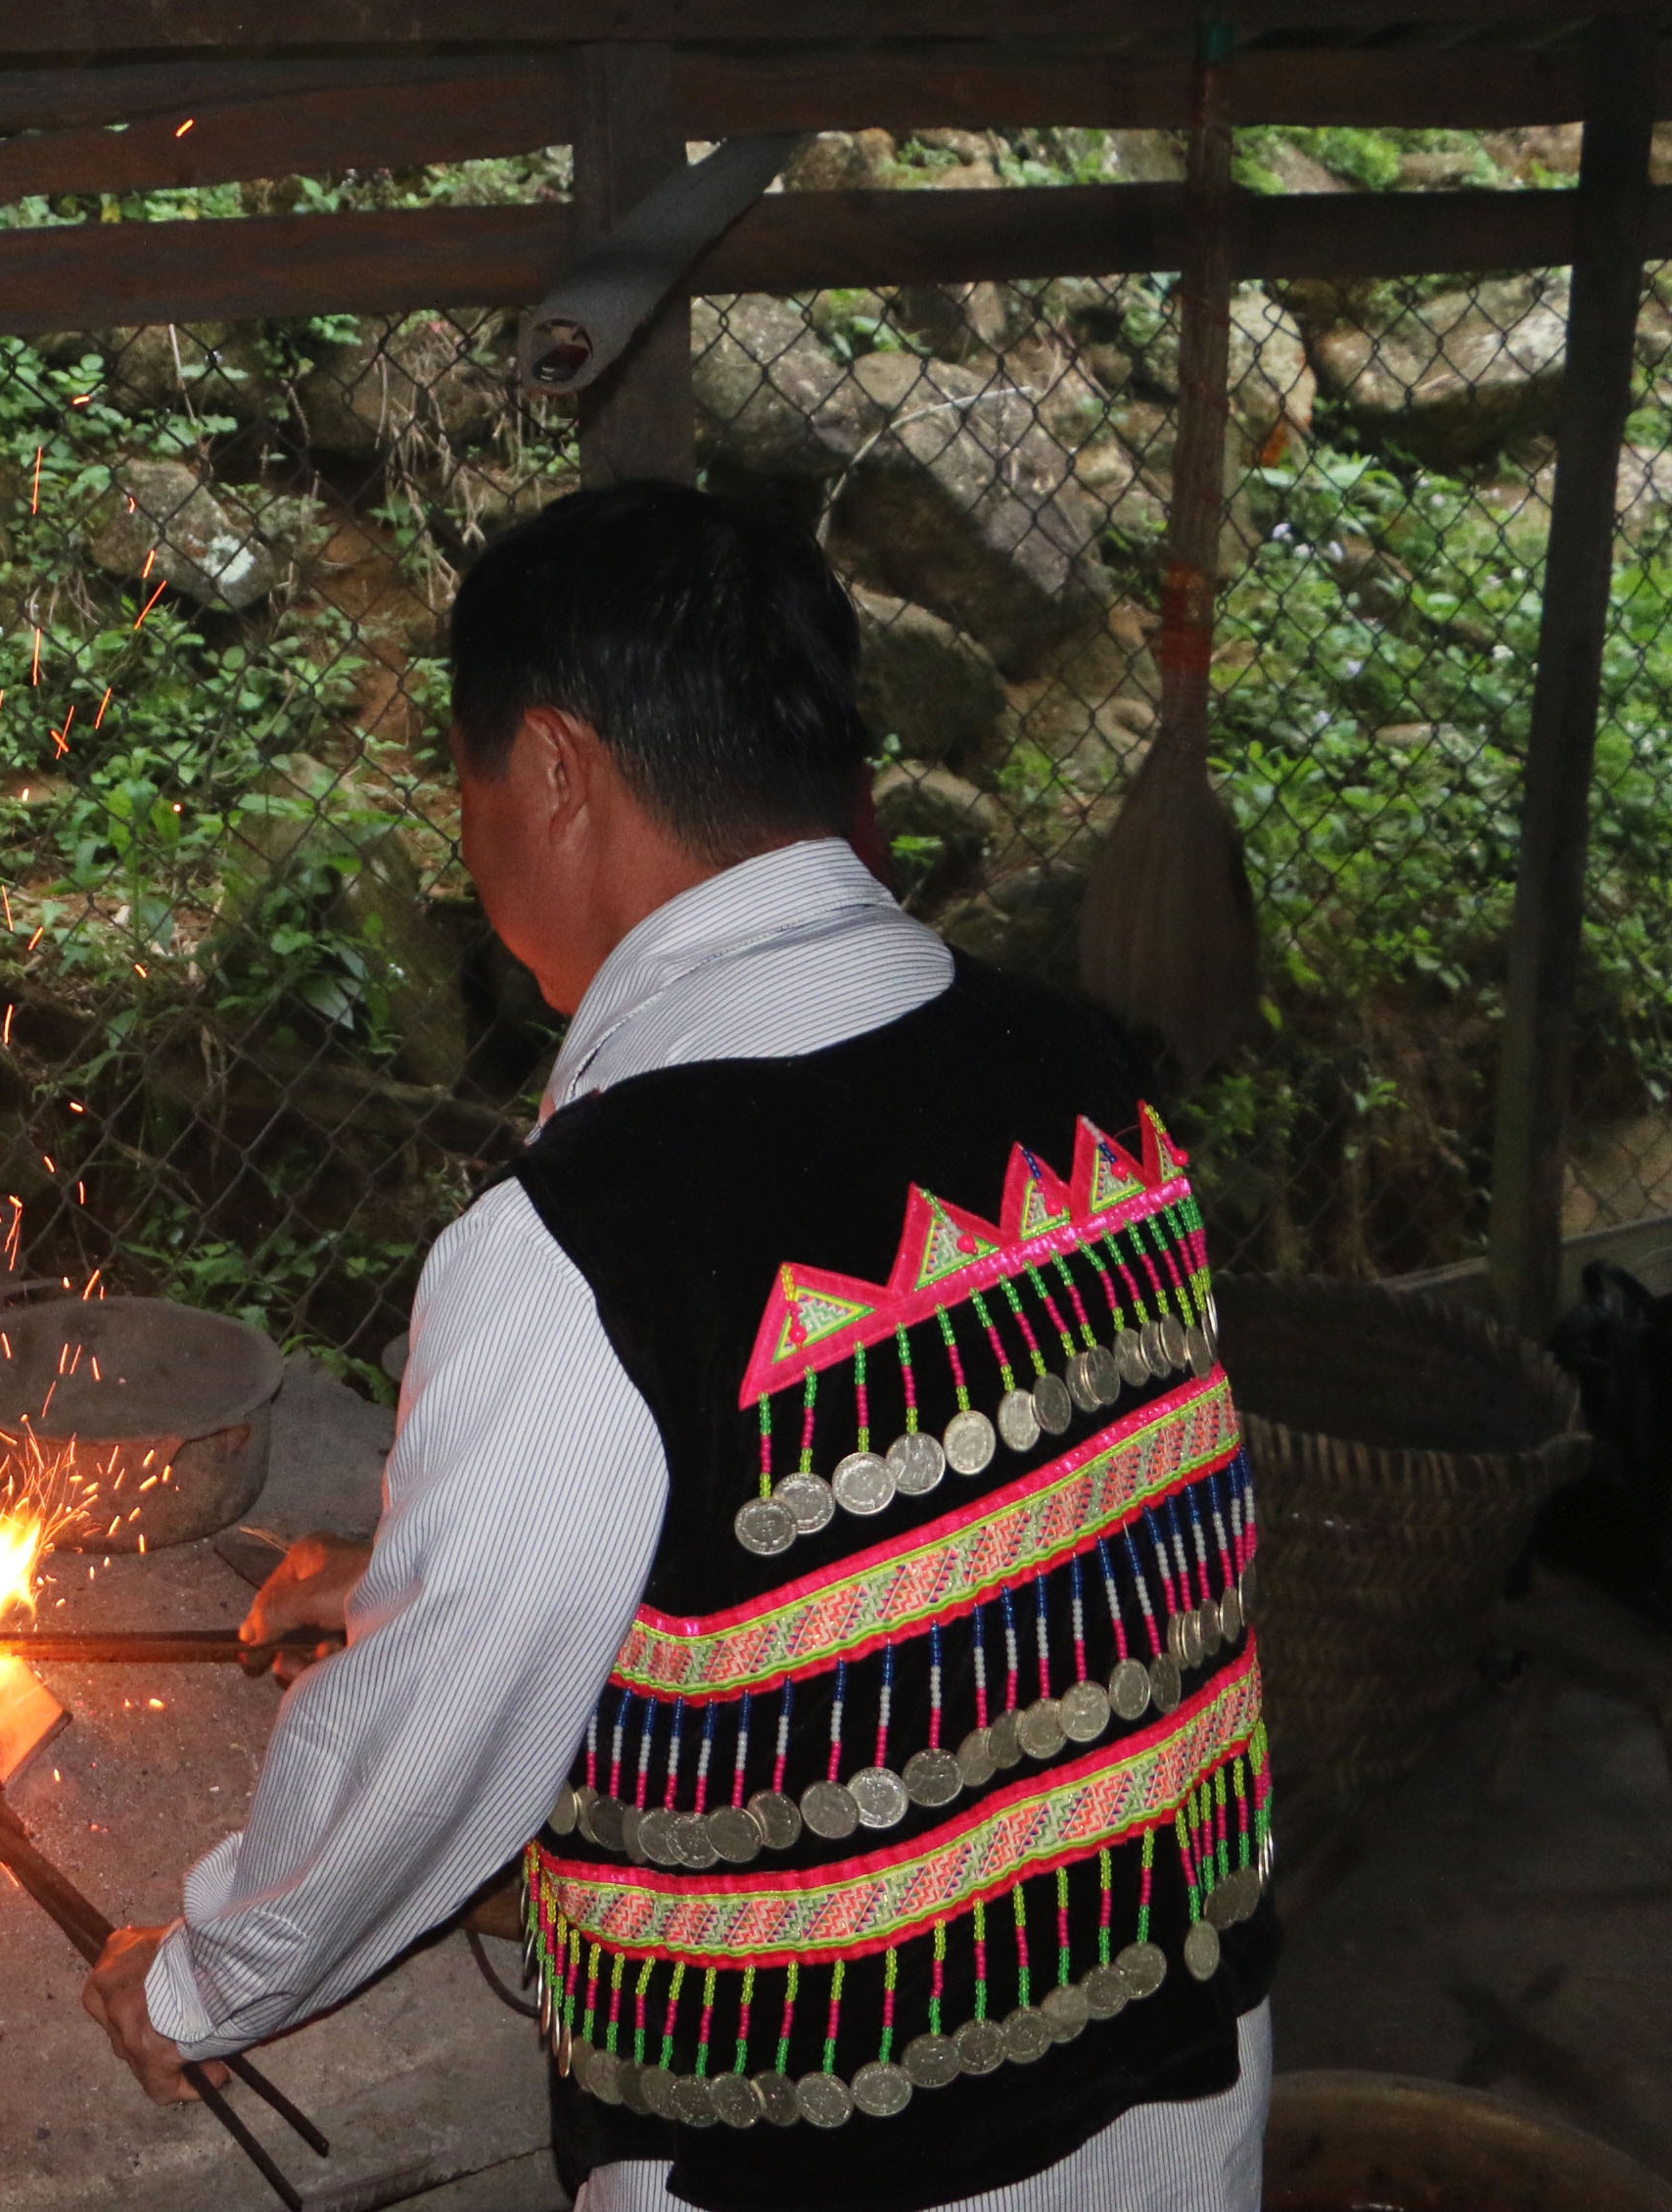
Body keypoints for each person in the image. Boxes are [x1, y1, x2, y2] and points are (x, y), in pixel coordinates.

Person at [81, 481, 1275, 2212]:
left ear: (555, 769)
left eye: (468, 779)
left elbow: (431, 1742)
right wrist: (440, 1566)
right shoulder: (1082, 1077)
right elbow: (941, 1526)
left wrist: (203, 1975)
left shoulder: (592, 1242)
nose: (464, 835)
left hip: (827, 2160)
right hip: (1179, 2098)